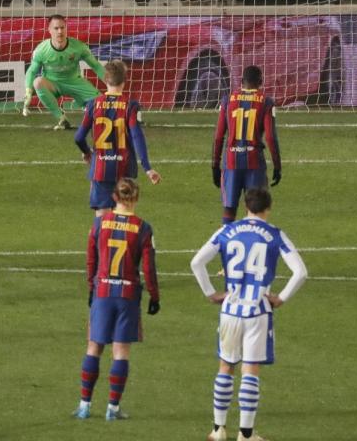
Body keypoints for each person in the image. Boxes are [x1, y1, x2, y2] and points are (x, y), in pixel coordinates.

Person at [190, 188, 308, 441]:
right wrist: (281, 298)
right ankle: (246, 434)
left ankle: (218, 429)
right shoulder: (276, 235)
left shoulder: (226, 231)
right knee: (250, 369)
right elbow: (301, 272)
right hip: (258, 311)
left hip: (230, 309)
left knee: (226, 366)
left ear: (246, 206)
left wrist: (211, 293)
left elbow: (196, 262)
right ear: (269, 207)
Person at [72, 178, 160, 422]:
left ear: (114, 197)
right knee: (120, 352)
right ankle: (112, 409)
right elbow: (149, 268)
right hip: (127, 295)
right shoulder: (143, 228)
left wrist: (92, 286)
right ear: (136, 198)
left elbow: (92, 259)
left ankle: (84, 406)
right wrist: (154, 295)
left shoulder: (100, 223)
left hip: (103, 292)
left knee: (94, 347)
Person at [74, 59, 161, 217]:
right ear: (124, 81)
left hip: (100, 168)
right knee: (123, 218)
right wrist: (148, 168)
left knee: (102, 221)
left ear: (105, 79)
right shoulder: (130, 106)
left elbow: (79, 137)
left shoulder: (93, 104)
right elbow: (137, 136)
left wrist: (87, 152)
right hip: (125, 169)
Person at [212, 65, 282, 224]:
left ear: (241, 81)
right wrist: (277, 166)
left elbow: (218, 137)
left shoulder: (228, 100)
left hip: (231, 161)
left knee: (229, 208)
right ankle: (251, 245)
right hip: (254, 161)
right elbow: (271, 138)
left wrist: (215, 166)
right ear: (261, 82)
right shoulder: (266, 102)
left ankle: (226, 247)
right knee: (255, 209)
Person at [23, 14, 106, 130]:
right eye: (56, 28)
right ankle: (61, 118)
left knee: (104, 107)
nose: (60, 31)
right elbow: (32, 71)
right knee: (37, 82)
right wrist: (28, 91)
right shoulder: (41, 50)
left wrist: (112, 85)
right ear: (49, 30)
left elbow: (96, 66)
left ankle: (88, 107)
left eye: (62, 27)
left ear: (66, 28)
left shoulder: (79, 47)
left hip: (75, 82)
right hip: (53, 84)